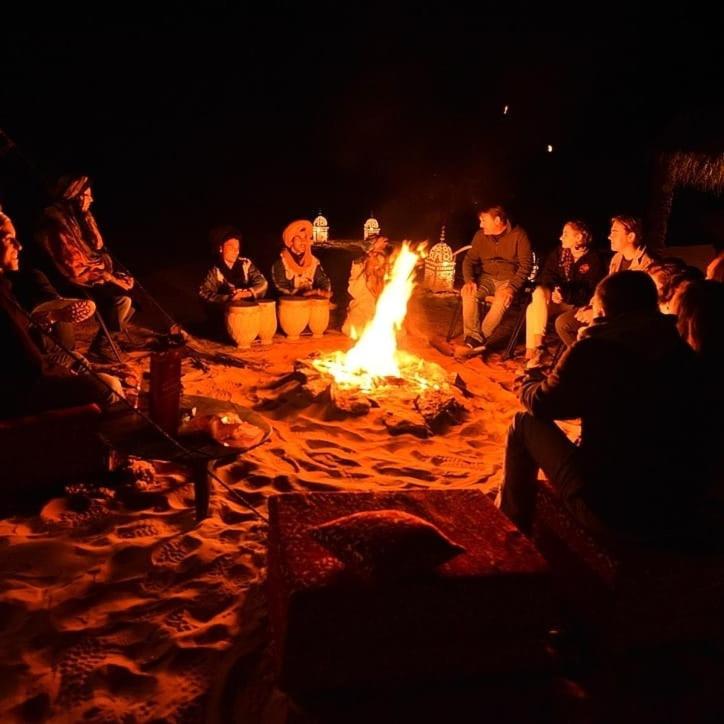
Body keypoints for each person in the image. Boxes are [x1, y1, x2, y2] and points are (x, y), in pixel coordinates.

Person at [498, 271, 710, 540]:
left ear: (604, 308)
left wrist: (526, 383)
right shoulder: (679, 350)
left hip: (613, 510)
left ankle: (510, 531)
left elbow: (543, 403)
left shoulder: (596, 348)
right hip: (675, 508)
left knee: (523, 423)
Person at [0, 215, 122, 419]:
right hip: (18, 391)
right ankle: (94, 437)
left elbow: (25, 336)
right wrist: (66, 373)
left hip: (30, 371)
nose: (19, 246)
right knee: (110, 387)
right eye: (8, 238)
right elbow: (31, 366)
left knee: (79, 360)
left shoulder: (5, 284)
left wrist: (52, 317)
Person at [35, 175, 134, 362]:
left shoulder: (78, 217)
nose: (92, 199)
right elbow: (73, 266)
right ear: (75, 195)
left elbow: (96, 249)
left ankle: (104, 342)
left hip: (89, 275)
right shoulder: (56, 222)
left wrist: (114, 274)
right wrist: (110, 278)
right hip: (68, 281)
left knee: (129, 290)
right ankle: (104, 344)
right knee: (121, 298)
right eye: (87, 195)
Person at [555, 215, 654, 347]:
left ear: (630, 237)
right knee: (563, 323)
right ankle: (589, 360)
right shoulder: (617, 259)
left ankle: (597, 359)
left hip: (624, 321)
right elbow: (605, 290)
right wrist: (591, 307)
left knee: (586, 332)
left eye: (614, 232)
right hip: (605, 312)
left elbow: (634, 307)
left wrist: (599, 314)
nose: (609, 237)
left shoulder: (648, 265)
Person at [524, 219, 604, 368]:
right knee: (539, 293)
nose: (561, 237)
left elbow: (588, 291)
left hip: (577, 305)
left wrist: (565, 294)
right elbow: (547, 275)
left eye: (566, 234)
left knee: (532, 308)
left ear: (579, 237)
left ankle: (533, 353)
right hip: (557, 299)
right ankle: (539, 349)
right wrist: (556, 289)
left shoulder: (593, 259)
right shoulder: (559, 253)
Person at [460, 205, 533, 352]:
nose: (481, 224)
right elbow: (468, 260)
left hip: (508, 280)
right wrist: (469, 280)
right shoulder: (480, 236)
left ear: (498, 220)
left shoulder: (519, 235)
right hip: (486, 278)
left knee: (502, 298)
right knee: (468, 292)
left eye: (484, 220)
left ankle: (479, 338)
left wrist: (511, 288)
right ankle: (473, 337)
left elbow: (526, 266)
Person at [198, 225, 268, 339]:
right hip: (224, 315)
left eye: (237, 247)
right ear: (220, 248)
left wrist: (246, 294)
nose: (236, 251)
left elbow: (263, 283)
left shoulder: (245, 264)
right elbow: (203, 293)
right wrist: (228, 298)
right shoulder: (215, 270)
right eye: (231, 247)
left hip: (247, 313)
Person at [270, 219, 332, 298]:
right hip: (289, 307)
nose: (303, 242)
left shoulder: (313, 261)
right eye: (299, 238)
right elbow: (280, 287)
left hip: (310, 305)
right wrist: (303, 293)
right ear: (291, 241)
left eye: (306, 238)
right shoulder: (281, 263)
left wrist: (323, 291)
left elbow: (323, 280)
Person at [342, 241, 389, 337]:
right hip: (360, 318)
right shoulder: (358, 270)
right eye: (374, 254)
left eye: (379, 254)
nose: (376, 258)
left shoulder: (384, 276)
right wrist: (372, 248)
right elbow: (356, 254)